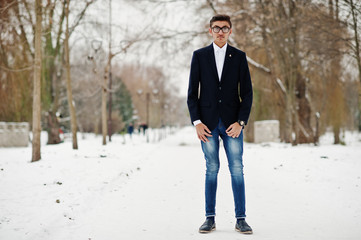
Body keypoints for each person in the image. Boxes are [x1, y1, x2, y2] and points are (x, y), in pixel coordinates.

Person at [187, 14, 253, 234]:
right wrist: (196, 122)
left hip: (232, 124)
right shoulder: (199, 56)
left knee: (237, 169)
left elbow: (247, 94)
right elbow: (191, 94)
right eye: (217, 28)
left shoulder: (240, 57)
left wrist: (241, 122)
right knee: (212, 169)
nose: (221, 31)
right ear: (210, 31)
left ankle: (241, 218)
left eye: (225, 28)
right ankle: (209, 218)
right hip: (207, 125)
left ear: (230, 31)